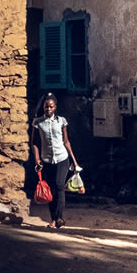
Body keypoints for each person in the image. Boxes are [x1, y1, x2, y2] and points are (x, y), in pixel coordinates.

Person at [30, 92, 80, 228]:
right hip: (46, 160)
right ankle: (53, 219)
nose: (48, 109)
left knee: (59, 186)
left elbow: (66, 141)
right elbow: (34, 142)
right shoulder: (37, 122)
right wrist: (36, 159)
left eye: (51, 107)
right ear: (44, 107)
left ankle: (59, 217)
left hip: (62, 158)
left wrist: (74, 161)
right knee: (50, 190)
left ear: (55, 107)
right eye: (46, 107)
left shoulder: (62, 121)